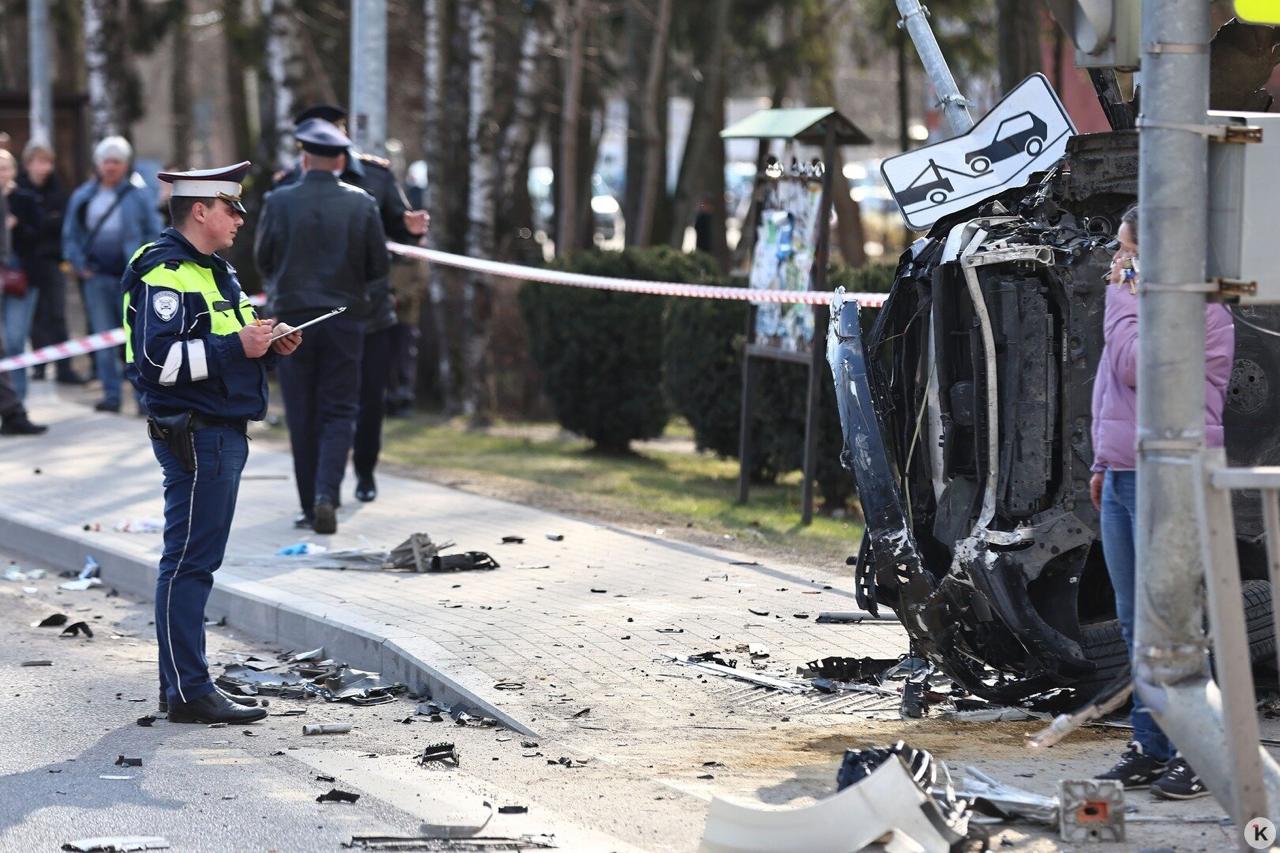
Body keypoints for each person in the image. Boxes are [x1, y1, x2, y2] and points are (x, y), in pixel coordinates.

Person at [123, 161, 301, 724]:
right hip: (197, 436)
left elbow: (234, 336)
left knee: (194, 561)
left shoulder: (216, 270)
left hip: (219, 433)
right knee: (188, 564)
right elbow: (158, 363)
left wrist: (270, 342)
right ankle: (188, 692)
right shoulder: (167, 272)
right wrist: (237, 349)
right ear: (199, 210)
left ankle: (186, 684)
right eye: (232, 208)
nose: (241, 220)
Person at [1091, 204, 1234, 800]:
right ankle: (1152, 746)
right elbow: (1109, 391)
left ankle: (1201, 753)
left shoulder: (1208, 316)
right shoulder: (1136, 302)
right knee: (1134, 623)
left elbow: (1133, 365)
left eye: (1127, 251)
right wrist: (1102, 462)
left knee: (1175, 619)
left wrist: (1126, 295)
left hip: (1172, 478)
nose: (1118, 262)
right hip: (1123, 476)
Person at [278, 104, 430, 501]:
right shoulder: (289, 183)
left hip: (370, 313)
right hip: (313, 315)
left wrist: (411, 231)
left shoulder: (376, 178)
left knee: (368, 399)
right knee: (320, 405)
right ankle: (322, 493)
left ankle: (363, 473)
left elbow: (397, 230)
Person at [255, 118, 388, 534]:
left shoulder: (278, 201)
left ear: (304, 156)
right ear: (341, 159)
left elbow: (264, 256)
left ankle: (308, 506)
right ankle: (326, 494)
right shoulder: (362, 202)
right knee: (340, 409)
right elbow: (378, 266)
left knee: (301, 411)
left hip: (292, 318)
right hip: (344, 318)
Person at [64, 136, 163, 412]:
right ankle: (111, 395)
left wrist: (146, 264)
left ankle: (144, 399)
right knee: (102, 338)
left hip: (132, 279)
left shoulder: (138, 195)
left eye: (116, 162)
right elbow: (71, 235)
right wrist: (78, 263)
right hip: (96, 278)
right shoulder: (83, 196)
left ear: (125, 164)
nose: (111, 167)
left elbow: (153, 231)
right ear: (98, 164)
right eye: (106, 161)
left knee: (136, 339)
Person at [20, 140, 84, 385]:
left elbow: (61, 223)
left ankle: (64, 366)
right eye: (40, 162)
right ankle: (38, 364)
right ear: (28, 164)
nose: (45, 167)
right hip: (28, 262)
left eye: (48, 162)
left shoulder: (58, 188)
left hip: (53, 260)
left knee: (57, 314)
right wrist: (42, 222)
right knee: (35, 316)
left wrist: (40, 223)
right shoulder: (21, 189)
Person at [0, 149, 43, 400]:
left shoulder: (25, 199)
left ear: (14, 172)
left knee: (15, 341)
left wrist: (18, 226)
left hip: (20, 279)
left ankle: (18, 403)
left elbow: (40, 236)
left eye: (5, 168)